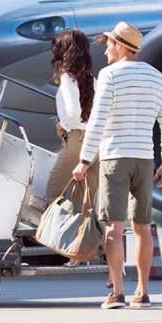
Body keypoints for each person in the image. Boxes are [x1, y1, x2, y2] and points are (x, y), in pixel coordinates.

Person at [73, 21, 162, 310]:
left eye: (108, 44)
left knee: (114, 229)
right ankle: (142, 292)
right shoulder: (157, 77)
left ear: (119, 46)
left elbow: (98, 120)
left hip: (115, 158)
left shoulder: (109, 75)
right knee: (142, 228)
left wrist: (83, 160)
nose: (105, 50)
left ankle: (117, 292)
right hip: (144, 159)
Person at [45, 29, 98, 203]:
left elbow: (73, 112)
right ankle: (86, 230)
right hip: (95, 142)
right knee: (85, 199)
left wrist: (62, 125)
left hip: (77, 138)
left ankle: (52, 230)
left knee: (54, 192)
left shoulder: (67, 77)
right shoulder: (91, 78)